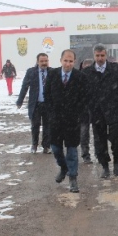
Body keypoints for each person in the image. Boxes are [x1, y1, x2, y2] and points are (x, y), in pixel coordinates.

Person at [44, 49, 87, 192]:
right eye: (65, 61)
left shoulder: (80, 77)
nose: (68, 64)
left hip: (72, 120)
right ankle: (63, 167)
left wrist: (78, 113)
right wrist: (51, 112)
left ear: (74, 62)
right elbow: (47, 94)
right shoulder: (52, 75)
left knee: (72, 150)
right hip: (55, 120)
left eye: (71, 61)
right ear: (61, 60)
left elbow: (83, 98)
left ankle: (73, 178)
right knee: (56, 148)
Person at [83, 44, 118, 178]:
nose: (100, 58)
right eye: (97, 56)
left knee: (116, 137)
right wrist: (90, 105)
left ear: (106, 55)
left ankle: (117, 161)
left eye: (102, 55)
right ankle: (104, 166)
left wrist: (116, 101)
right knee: (99, 140)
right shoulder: (87, 72)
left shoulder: (115, 68)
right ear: (94, 56)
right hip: (96, 112)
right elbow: (85, 92)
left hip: (114, 110)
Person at [16, 53, 52, 154]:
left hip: (48, 104)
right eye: (42, 61)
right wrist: (20, 101)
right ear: (37, 61)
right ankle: (34, 145)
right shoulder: (31, 72)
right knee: (35, 125)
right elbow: (24, 87)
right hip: (35, 104)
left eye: (46, 61)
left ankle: (46, 146)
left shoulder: (52, 72)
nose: (44, 63)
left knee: (48, 126)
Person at [79, 58, 94, 164]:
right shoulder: (78, 77)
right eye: (86, 66)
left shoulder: (97, 76)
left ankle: (99, 153)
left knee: (98, 134)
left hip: (95, 108)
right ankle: (85, 154)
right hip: (83, 110)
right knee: (84, 133)